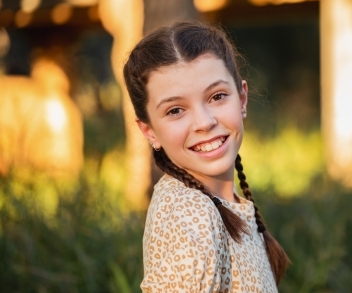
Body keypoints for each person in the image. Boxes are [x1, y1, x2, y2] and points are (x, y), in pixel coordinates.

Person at [123, 21, 290, 292]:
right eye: (175, 110)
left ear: (242, 98)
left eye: (217, 96)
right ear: (149, 131)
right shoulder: (190, 214)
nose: (204, 122)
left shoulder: (217, 202)